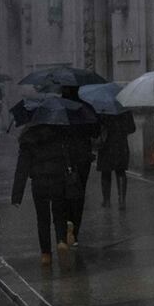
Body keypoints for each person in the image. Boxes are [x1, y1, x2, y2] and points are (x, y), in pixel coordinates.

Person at [12, 124, 73, 267]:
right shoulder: (59, 133)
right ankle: (61, 240)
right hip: (58, 179)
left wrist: (17, 195)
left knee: (42, 218)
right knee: (59, 213)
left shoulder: (28, 138)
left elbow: (22, 168)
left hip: (39, 183)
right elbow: (66, 157)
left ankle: (46, 254)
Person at [61, 86, 98, 246]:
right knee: (79, 193)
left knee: (62, 194)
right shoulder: (86, 108)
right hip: (83, 158)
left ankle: (63, 228)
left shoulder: (58, 108)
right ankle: (75, 232)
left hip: (63, 157)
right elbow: (95, 131)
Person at [97, 111, 136, 209]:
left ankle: (106, 201)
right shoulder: (124, 110)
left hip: (107, 146)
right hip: (121, 145)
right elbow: (132, 128)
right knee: (121, 171)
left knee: (105, 172)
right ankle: (122, 201)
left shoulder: (103, 110)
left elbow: (97, 127)